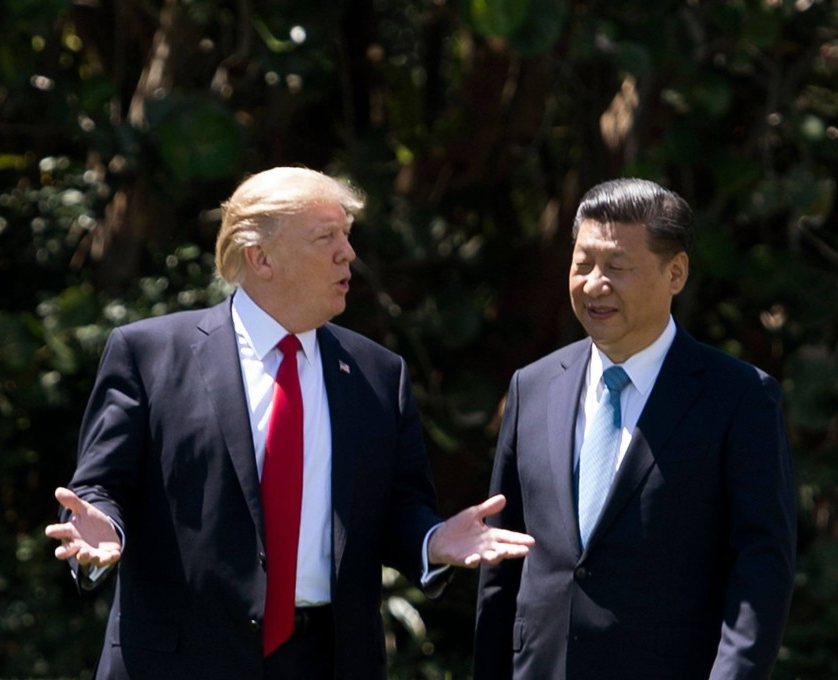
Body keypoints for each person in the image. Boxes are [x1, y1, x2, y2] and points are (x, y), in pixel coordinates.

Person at [45, 166, 534, 680]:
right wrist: (103, 529)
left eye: (346, 235)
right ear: (260, 257)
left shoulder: (377, 373)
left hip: (328, 659)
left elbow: (399, 509)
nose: (347, 254)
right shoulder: (148, 354)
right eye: (327, 237)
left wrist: (431, 542)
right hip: (180, 658)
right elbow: (100, 486)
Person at [473, 178, 797, 679]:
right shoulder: (532, 387)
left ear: (676, 273)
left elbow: (761, 569)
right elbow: (504, 557)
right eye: (582, 265)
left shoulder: (738, 397)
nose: (594, 284)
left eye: (618, 268)